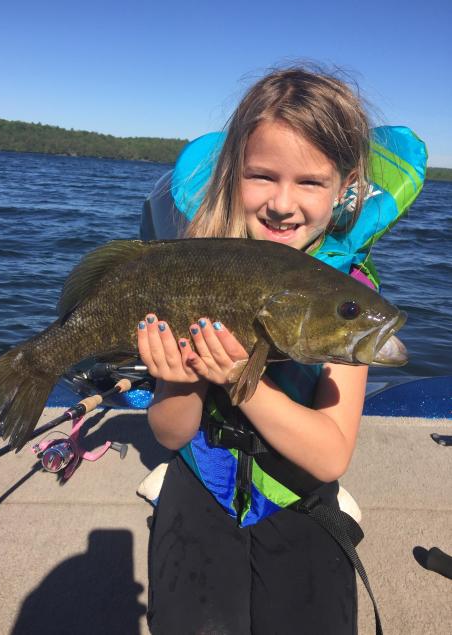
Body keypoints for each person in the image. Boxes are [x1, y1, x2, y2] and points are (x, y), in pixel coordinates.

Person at [139, 67, 375, 635]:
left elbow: (329, 457)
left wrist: (245, 379)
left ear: (346, 186)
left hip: (298, 495)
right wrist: (178, 381)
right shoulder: (198, 270)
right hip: (202, 480)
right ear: (232, 174)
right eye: (262, 176)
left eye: (310, 183)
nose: (282, 204)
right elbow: (171, 434)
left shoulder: (351, 301)